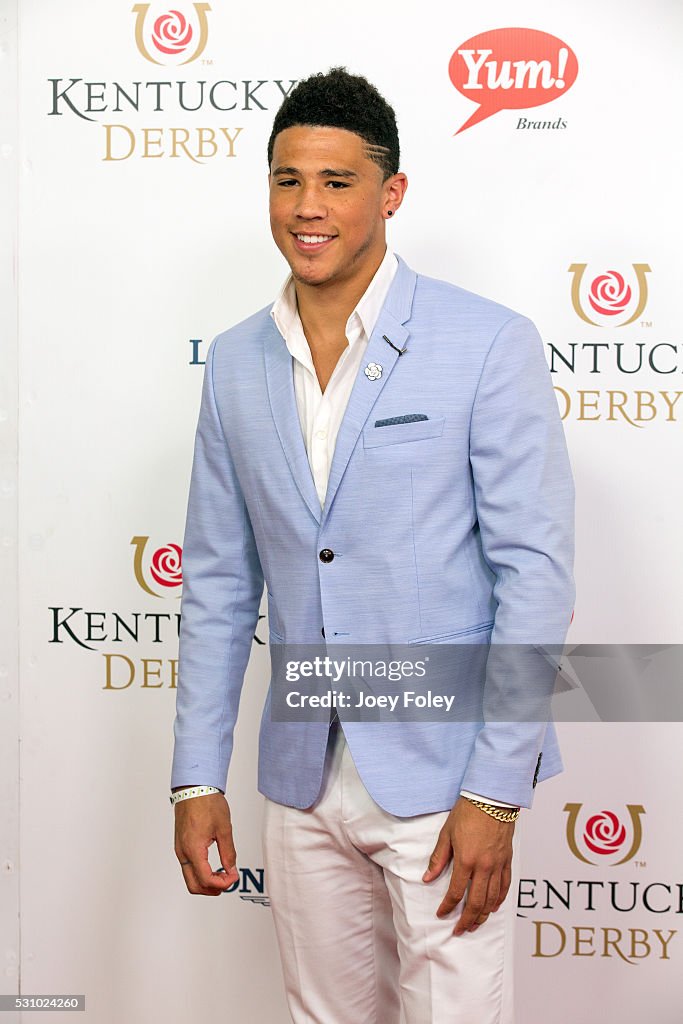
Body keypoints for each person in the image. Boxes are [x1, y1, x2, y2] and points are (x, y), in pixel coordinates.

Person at [170, 67, 575, 1024]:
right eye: (287, 180)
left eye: (336, 182)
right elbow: (220, 584)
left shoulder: (485, 343)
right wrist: (196, 775)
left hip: (446, 776)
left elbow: (535, 578)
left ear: (390, 193)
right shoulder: (234, 360)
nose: (307, 208)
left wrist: (496, 790)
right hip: (302, 774)